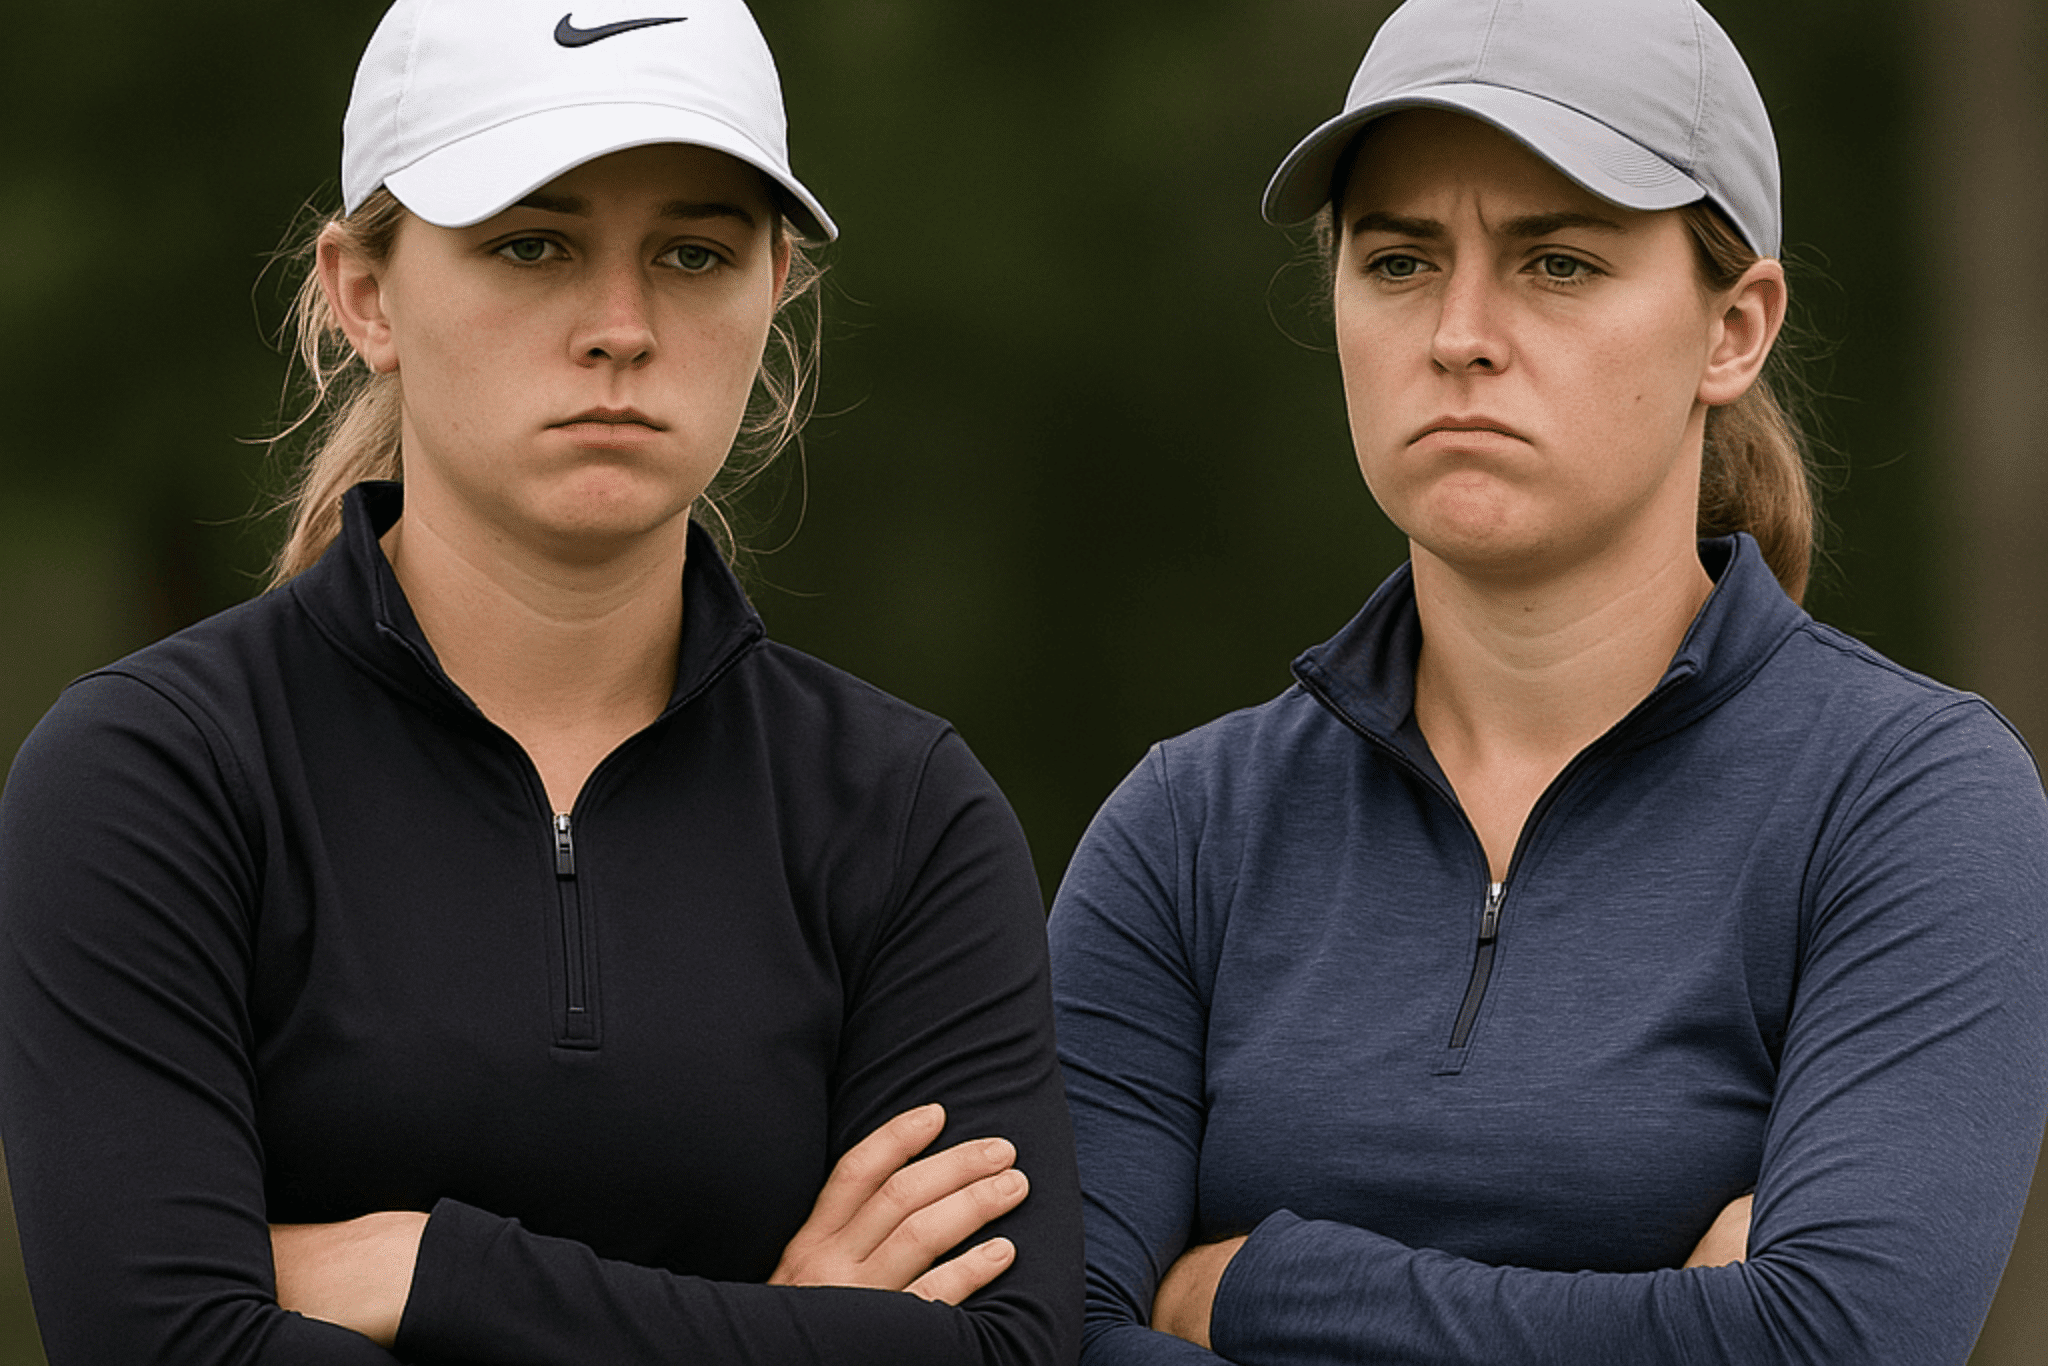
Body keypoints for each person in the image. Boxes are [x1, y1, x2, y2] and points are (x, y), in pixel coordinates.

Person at [0, 2, 1081, 1363]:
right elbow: (162, 1343)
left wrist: (432, 1269)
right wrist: (789, 1331)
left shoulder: (904, 810)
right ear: (365, 294)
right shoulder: (156, 775)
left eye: (695, 252)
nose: (621, 325)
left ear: (776, 291)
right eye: (532, 243)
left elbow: (1009, 1351)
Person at [1046, 0, 2048, 1362]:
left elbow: (1826, 1341)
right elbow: (1040, 1339)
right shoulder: (1190, 828)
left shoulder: (1909, 801)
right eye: (1398, 262)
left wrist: (1255, 1292)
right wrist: (1672, 1320)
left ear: (1733, 330)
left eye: (1558, 263)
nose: (1459, 333)